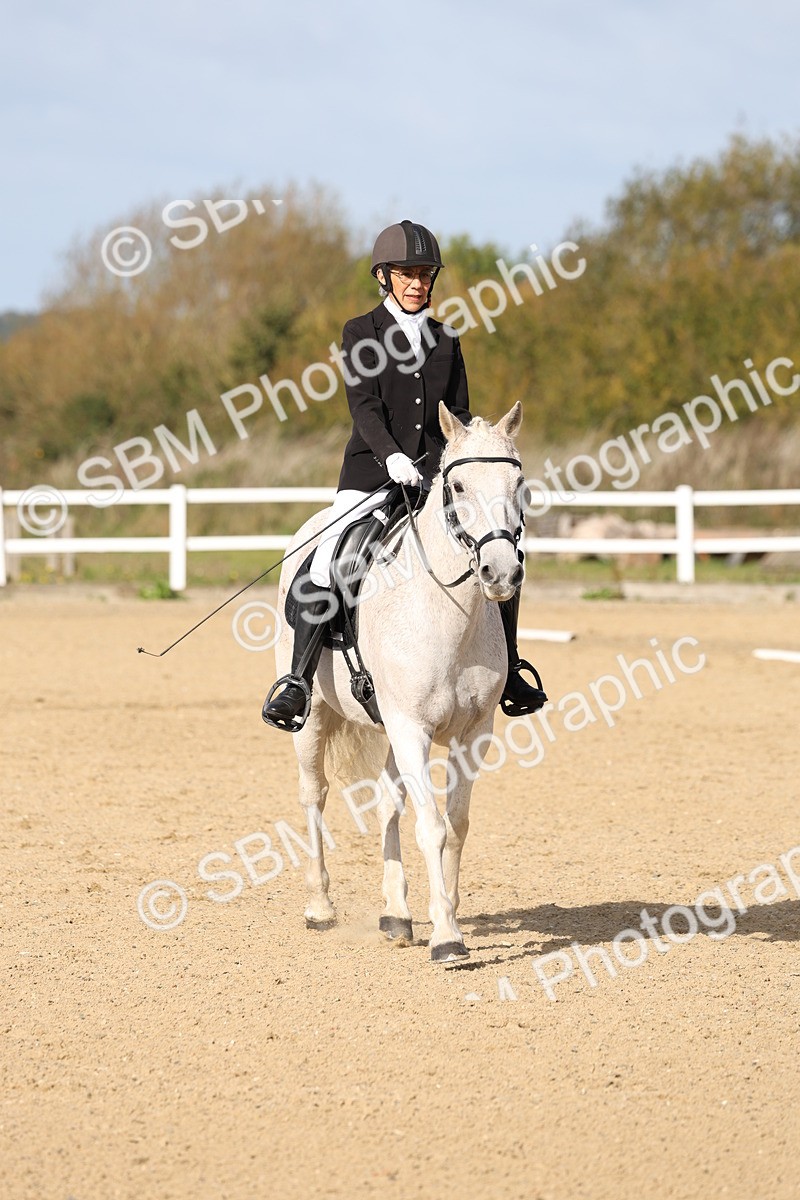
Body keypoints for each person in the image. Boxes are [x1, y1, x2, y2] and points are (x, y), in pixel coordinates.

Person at [262, 219, 546, 731]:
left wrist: (445, 465)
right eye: (406, 274)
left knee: (496, 552)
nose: (418, 283)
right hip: (371, 472)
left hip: (435, 481)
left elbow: (455, 415)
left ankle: (512, 670)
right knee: (329, 563)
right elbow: (364, 406)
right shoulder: (360, 332)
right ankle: (298, 682)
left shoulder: (446, 337)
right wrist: (392, 456)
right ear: (384, 277)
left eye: (425, 274)